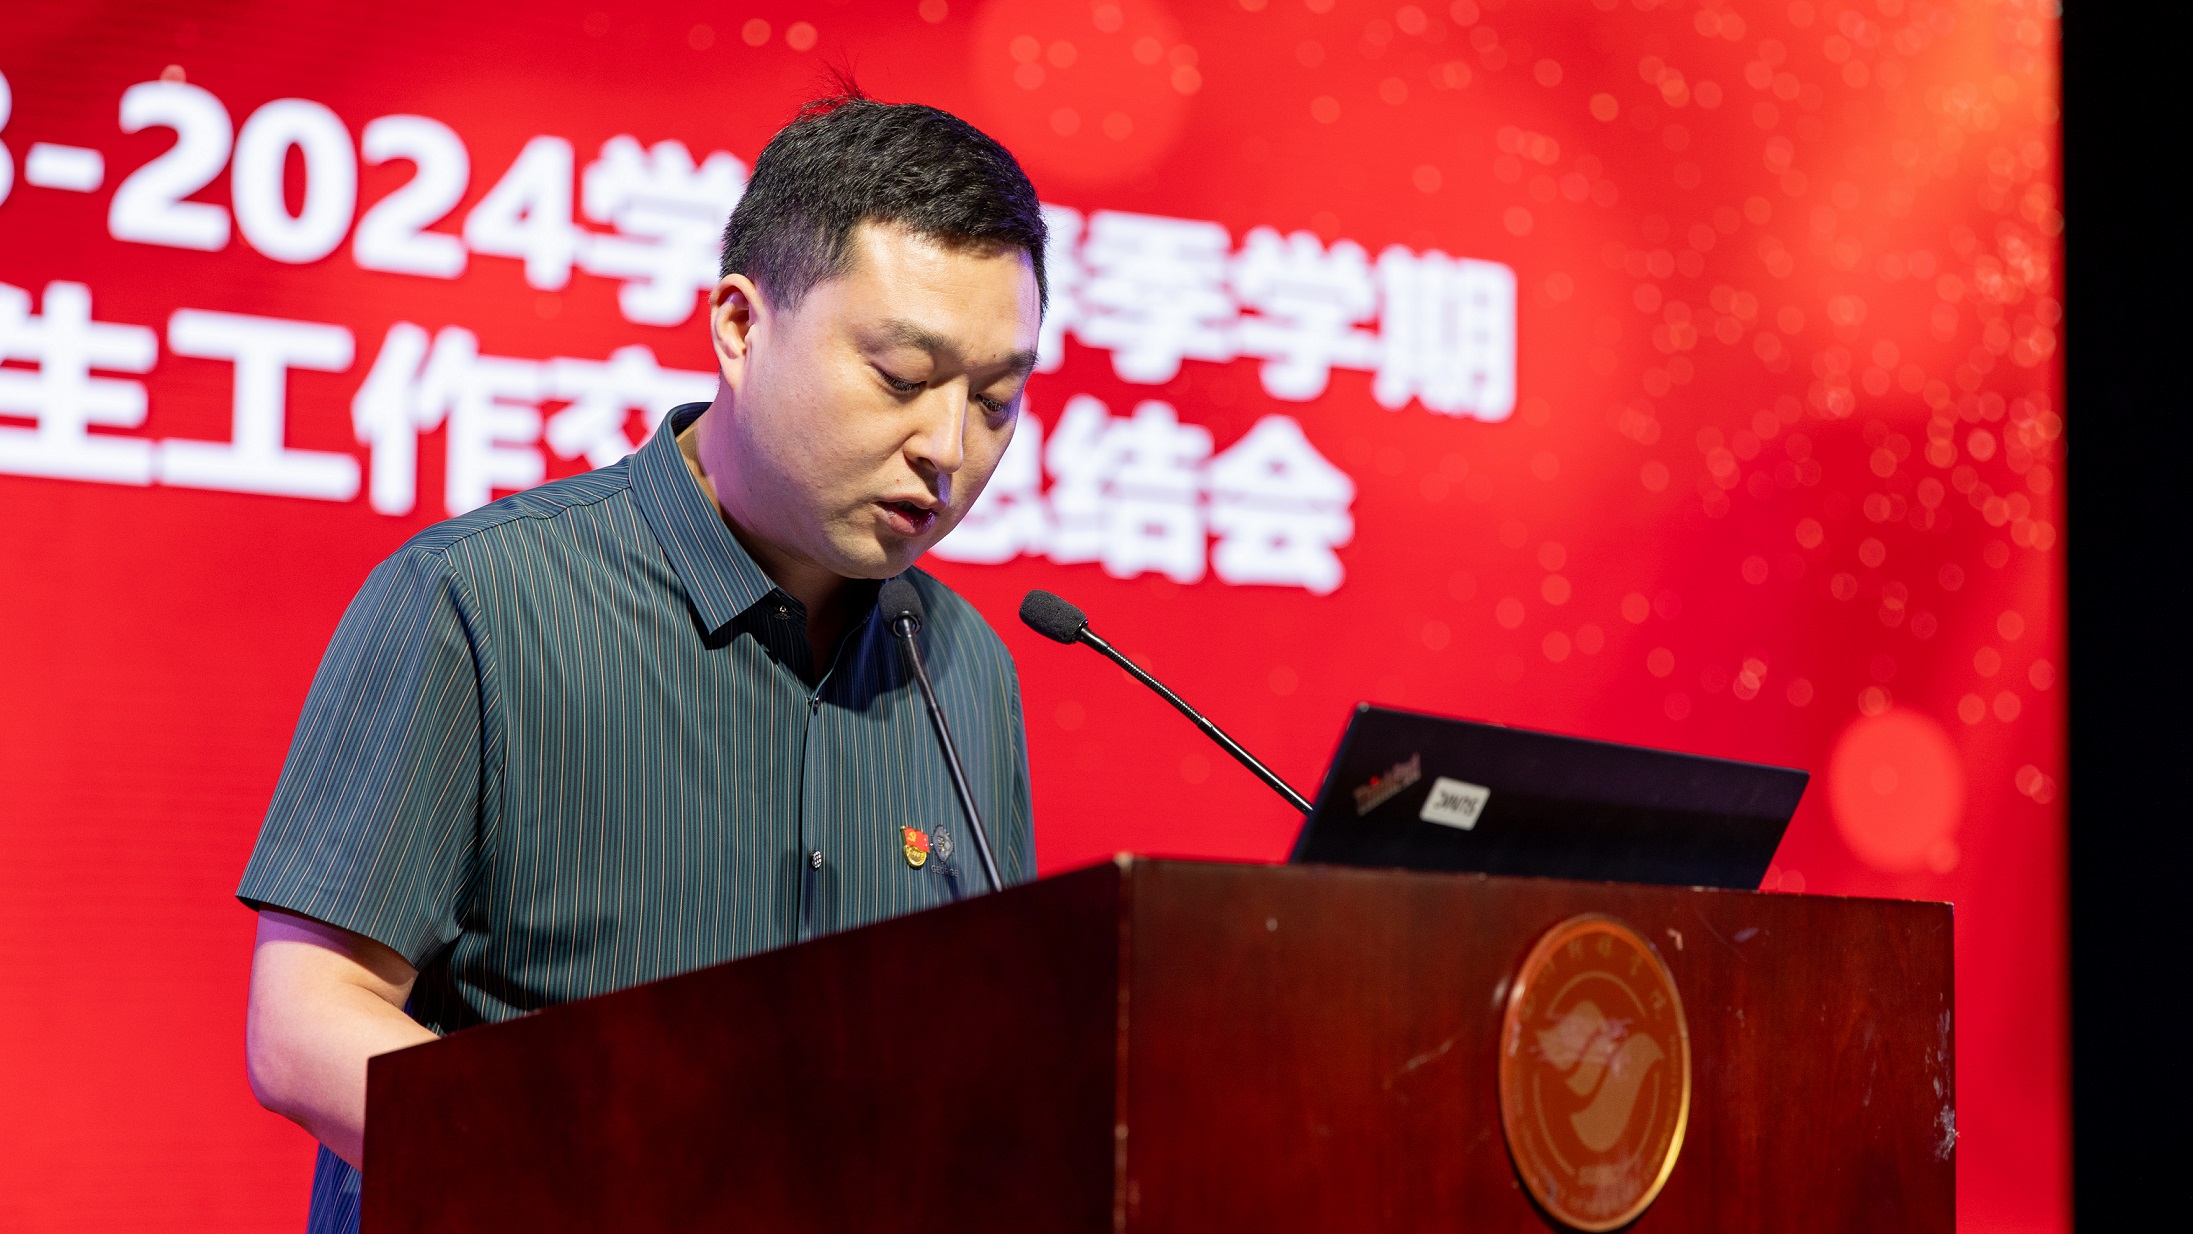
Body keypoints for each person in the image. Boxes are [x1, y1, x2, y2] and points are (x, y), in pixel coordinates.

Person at [237, 95, 1047, 1233]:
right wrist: (631, 1172)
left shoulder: (964, 670)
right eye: (903, 377)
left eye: (997, 400)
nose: (949, 448)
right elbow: (305, 1026)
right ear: (739, 325)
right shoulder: (482, 600)